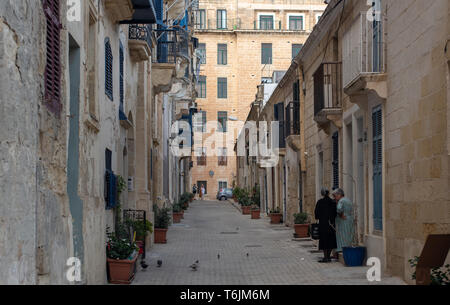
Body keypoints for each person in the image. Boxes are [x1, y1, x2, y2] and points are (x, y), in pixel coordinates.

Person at [314, 187, 337, 263]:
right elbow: (335, 213)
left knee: (323, 240)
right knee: (331, 240)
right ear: (328, 193)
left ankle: (325, 257)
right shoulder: (333, 202)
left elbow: (316, 214)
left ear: (322, 194)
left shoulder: (320, 202)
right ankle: (329, 256)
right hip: (331, 224)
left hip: (323, 224)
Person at [332, 188, 355, 253]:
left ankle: (341, 248)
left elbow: (339, 209)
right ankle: (348, 246)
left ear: (339, 195)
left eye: (335, 196)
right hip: (349, 219)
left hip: (343, 221)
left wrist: (340, 214)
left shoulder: (341, 201)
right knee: (348, 234)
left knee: (343, 235)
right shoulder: (348, 200)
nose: (335, 197)